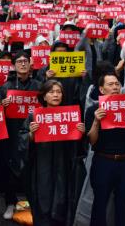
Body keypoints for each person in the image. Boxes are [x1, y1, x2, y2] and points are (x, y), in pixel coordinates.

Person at [19, 79, 86, 225]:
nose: (55, 95)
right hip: (41, 168)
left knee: (63, 202)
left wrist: (81, 134)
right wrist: (30, 134)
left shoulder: (70, 116)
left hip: (64, 167)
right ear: (44, 96)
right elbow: (22, 141)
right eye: (51, 92)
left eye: (58, 92)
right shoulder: (34, 116)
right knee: (43, 203)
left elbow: (79, 149)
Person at [85, 71, 125, 226]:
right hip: (103, 162)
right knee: (100, 204)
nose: (115, 87)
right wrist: (96, 121)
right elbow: (92, 141)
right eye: (110, 84)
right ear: (101, 89)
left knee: (123, 205)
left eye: (117, 84)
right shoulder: (93, 109)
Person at [0, 51, 42, 219]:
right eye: (19, 61)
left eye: (25, 61)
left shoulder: (38, 85)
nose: (23, 64)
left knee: (31, 168)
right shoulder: (6, 87)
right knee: (10, 168)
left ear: (31, 64)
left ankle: (32, 203)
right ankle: (10, 203)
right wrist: (2, 105)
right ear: (14, 65)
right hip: (11, 131)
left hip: (32, 132)